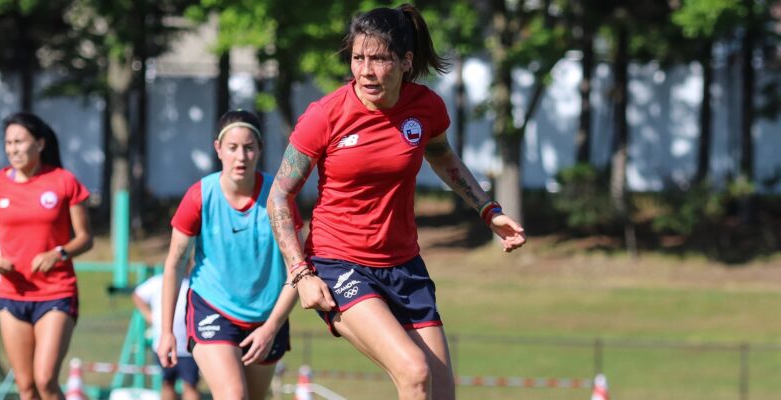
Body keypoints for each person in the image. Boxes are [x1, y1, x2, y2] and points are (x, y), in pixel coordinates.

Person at [266, 4, 527, 400]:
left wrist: (488, 211)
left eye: (379, 59)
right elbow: (279, 196)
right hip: (339, 265)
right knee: (414, 372)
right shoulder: (325, 116)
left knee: (440, 392)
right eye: (358, 58)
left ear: (405, 62)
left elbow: (442, 156)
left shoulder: (426, 109)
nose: (366, 71)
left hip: (405, 268)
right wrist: (302, 274)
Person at [158, 110, 303, 400]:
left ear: (260, 150)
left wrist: (271, 327)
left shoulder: (279, 198)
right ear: (218, 149)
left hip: (267, 317)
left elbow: (298, 271)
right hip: (213, 309)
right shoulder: (199, 196)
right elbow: (174, 264)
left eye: (249, 148)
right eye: (233, 148)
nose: (241, 157)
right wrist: (166, 331)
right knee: (234, 396)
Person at [0, 112, 93, 400]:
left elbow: (86, 237)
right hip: (13, 294)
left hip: (56, 292)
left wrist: (59, 252)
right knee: (26, 387)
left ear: (39, 144)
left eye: (20, 141)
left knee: (45, 381)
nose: (13, 149)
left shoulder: (64, 181)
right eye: (8, 143)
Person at [132, 273, 200, 400]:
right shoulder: (158, 281)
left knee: (190, 384)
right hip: (164, 346)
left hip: (189, 348)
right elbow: (138, 295)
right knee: (167, 382)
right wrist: (149, 315)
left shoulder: (196, 282)